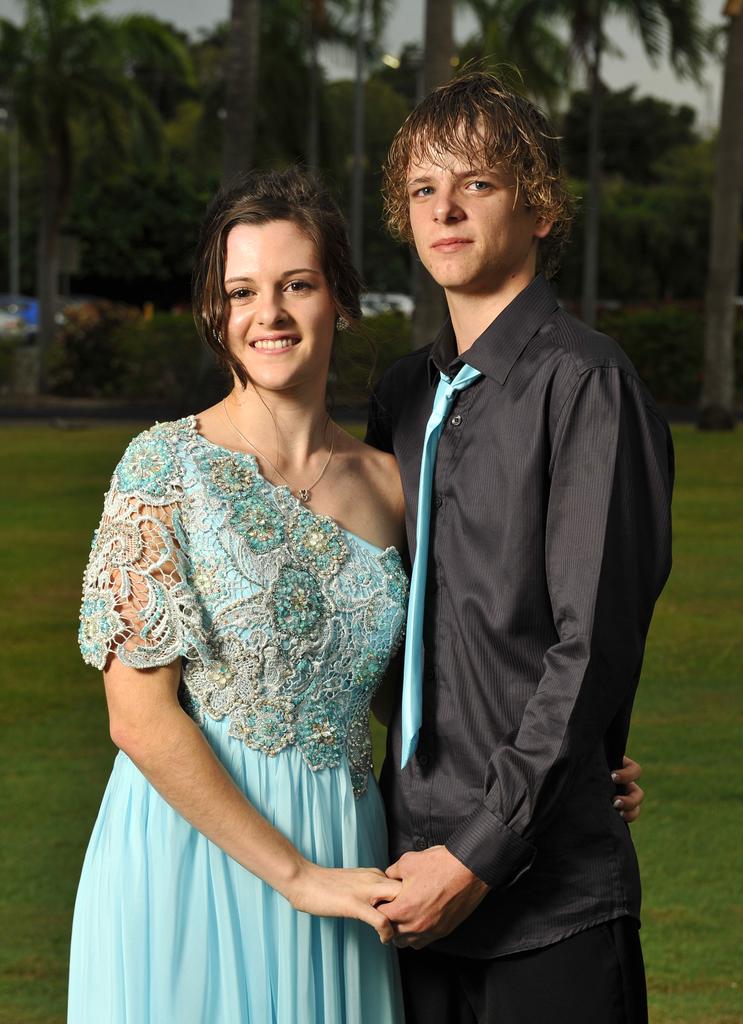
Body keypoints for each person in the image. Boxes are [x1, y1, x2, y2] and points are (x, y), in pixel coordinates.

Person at [365, 72, 674, 1024]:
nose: (444, 209)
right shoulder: (402, 395)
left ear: (540, 209)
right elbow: (386, 622)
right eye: (423, 189)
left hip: (547, 901)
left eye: (477, 184)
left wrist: (479, 851)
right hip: (405, 889)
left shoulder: (589, 385)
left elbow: (592, 649)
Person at [69, 169, 410, 1024]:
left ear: (341, 300)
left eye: (298, 284)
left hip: (343, 843)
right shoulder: (164, 467)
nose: (272, 315)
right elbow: (138, 718)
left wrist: (558, 768)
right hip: (188, 858)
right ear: (216, 314)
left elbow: (415, 695)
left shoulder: (395, 488)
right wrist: (299, 879)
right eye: (243, 292)